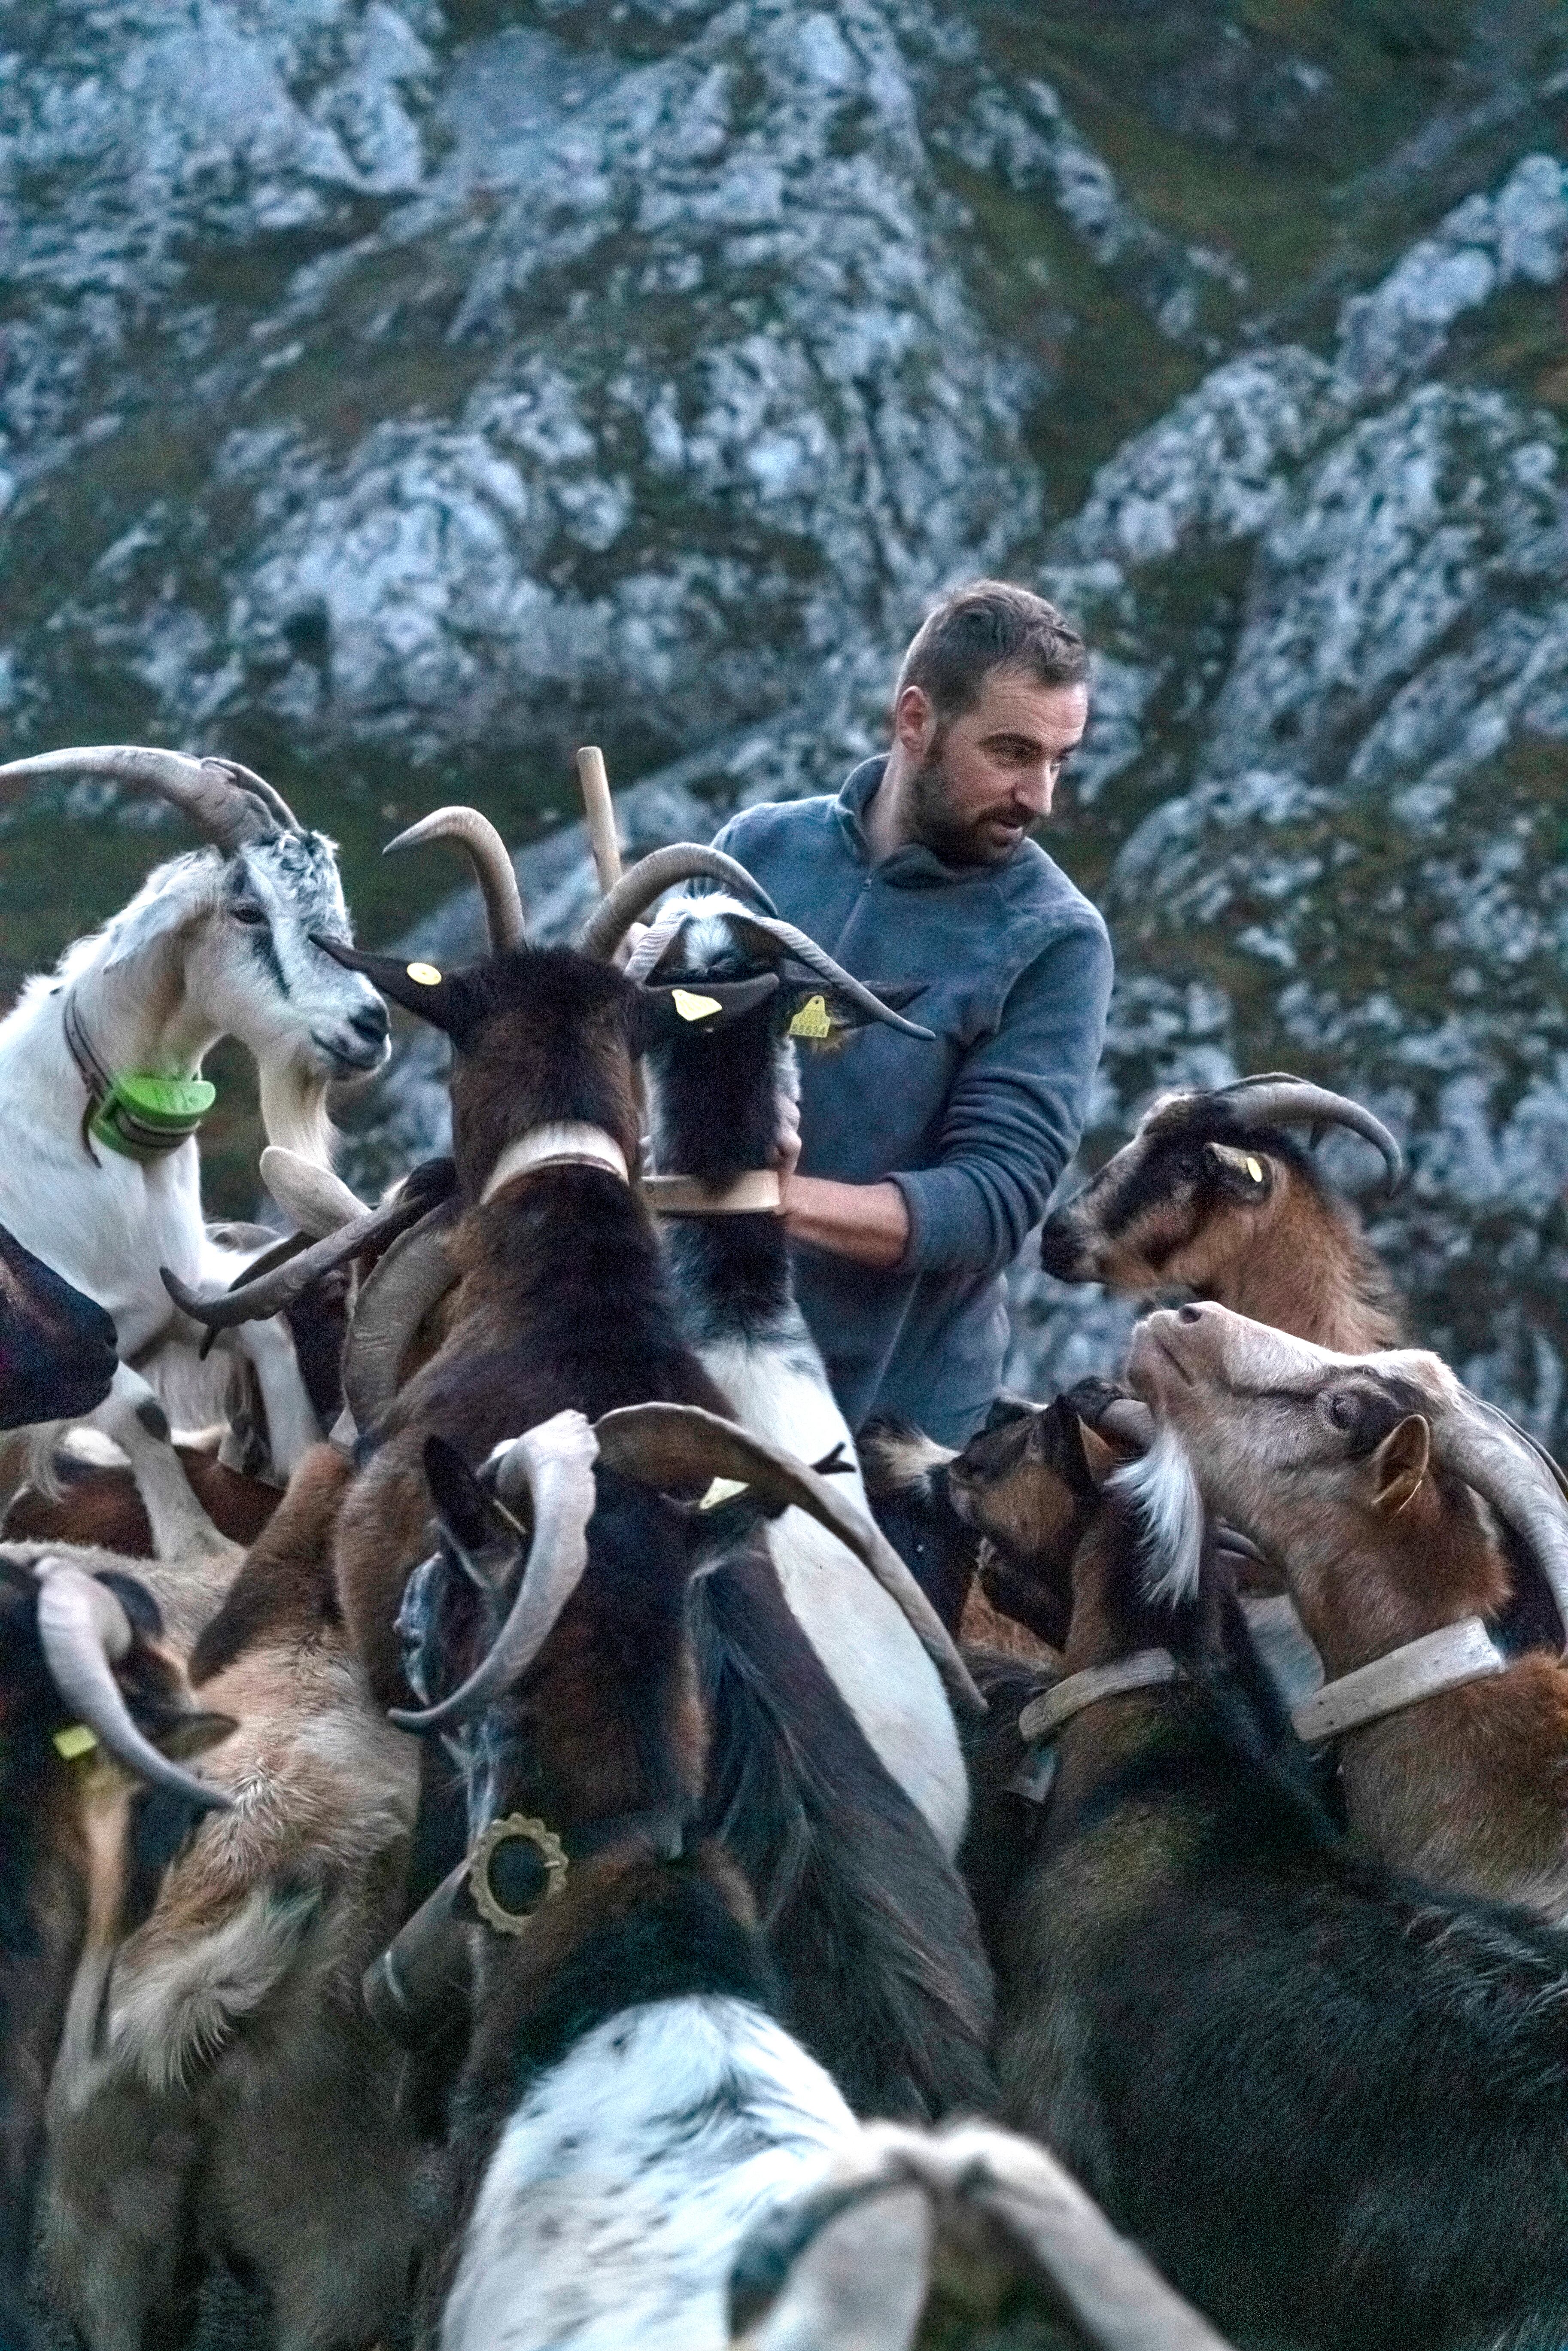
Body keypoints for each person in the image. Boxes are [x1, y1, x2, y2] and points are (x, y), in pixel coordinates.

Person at [712, 580, 1113, 1447]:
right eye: (1010, 752)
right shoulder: (757, 851)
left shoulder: (1053, 940)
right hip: (692, 1379)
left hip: (881, 1437)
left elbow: (991, 1202)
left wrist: (768, 1197)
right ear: (914, 720)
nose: (1037, 795)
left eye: (1059, 759)